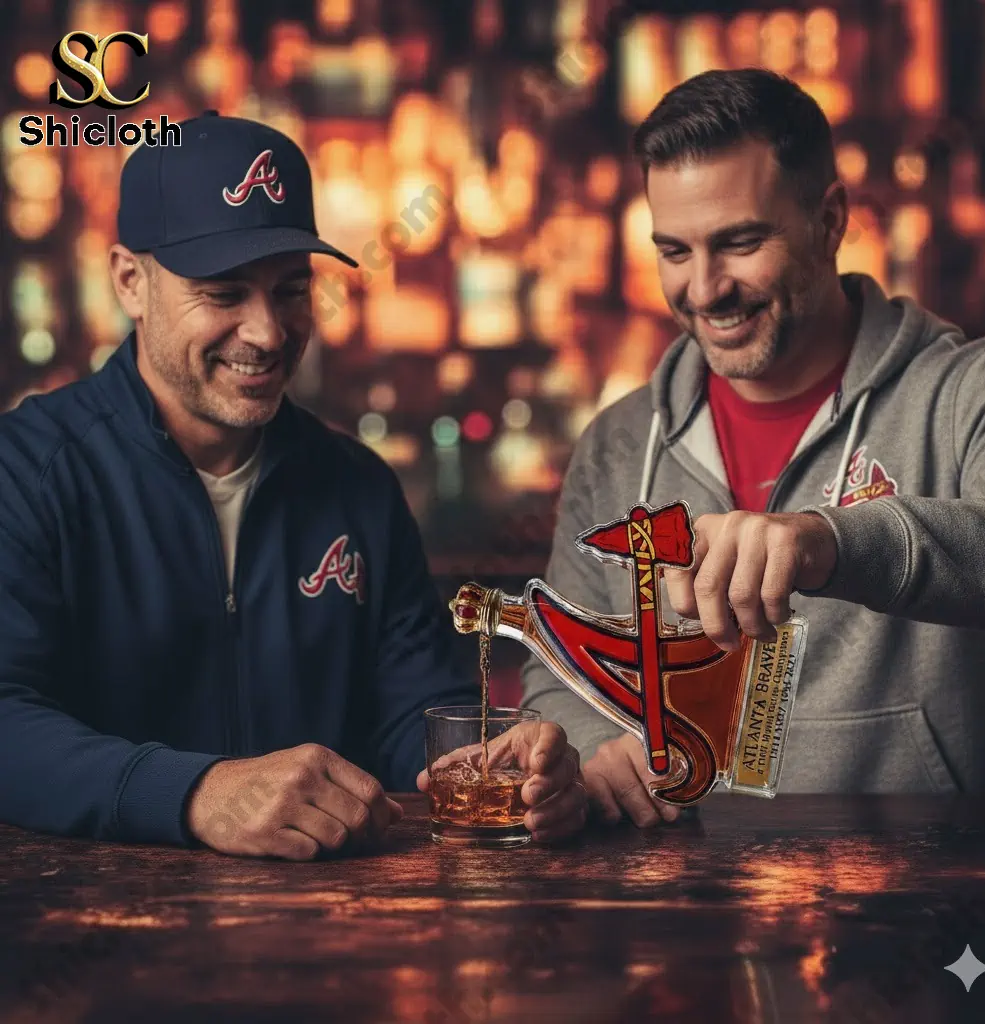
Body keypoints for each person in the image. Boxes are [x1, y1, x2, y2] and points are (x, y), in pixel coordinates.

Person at [0, 111, 587, 858]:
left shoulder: (358, 488)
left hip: (329, 942)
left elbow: (416, 714)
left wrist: (494, 764)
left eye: (289, 289)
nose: (269, 332)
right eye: (223, 294)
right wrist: (196, 794)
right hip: (87, 937)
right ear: (130, 281)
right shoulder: (27, 473)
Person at [521, 68, 985, 826]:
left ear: (829, 221)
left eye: (739, 243)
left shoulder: (977, 393)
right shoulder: (620, 443)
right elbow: (558, 665)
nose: (704, 289)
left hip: (938, 907)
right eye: (675, 252)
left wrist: (827, 543)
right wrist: (592, 745)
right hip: (686, 915)